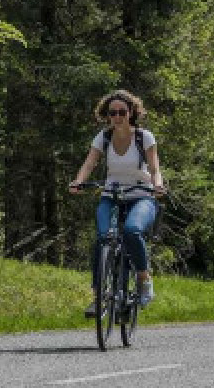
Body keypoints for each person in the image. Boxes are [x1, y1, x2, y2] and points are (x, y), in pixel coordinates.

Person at [69, 89, 165, 316]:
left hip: (141, 195)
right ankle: (98, 297)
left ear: (131, 112)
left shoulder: (144, 137)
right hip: (111, 195)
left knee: (132, 230)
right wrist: (78, 181)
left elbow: (154, 169)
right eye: (113, 113)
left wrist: (158, 185)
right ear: (107, 115)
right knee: (103, 237)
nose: (118, 117)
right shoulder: (103, 138)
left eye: (122, 112)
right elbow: (89, 163)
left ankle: (143, 279)